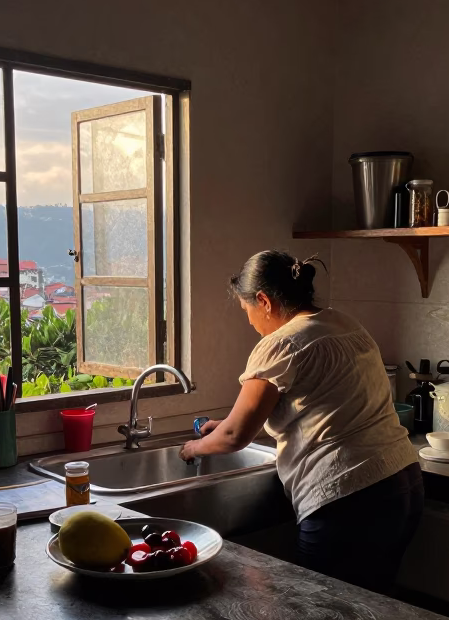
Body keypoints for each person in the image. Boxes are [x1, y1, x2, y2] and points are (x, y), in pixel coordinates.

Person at [180, 250, 424, 593]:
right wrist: (225, 423)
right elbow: (319, 403)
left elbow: (236, 436)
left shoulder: (281, 343)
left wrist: (193, 448)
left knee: (319, 617)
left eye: (247, 311)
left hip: (348, 498)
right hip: (403, 485)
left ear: (263, 300)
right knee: (370, 610)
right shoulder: (343, 322)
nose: (250, 323)